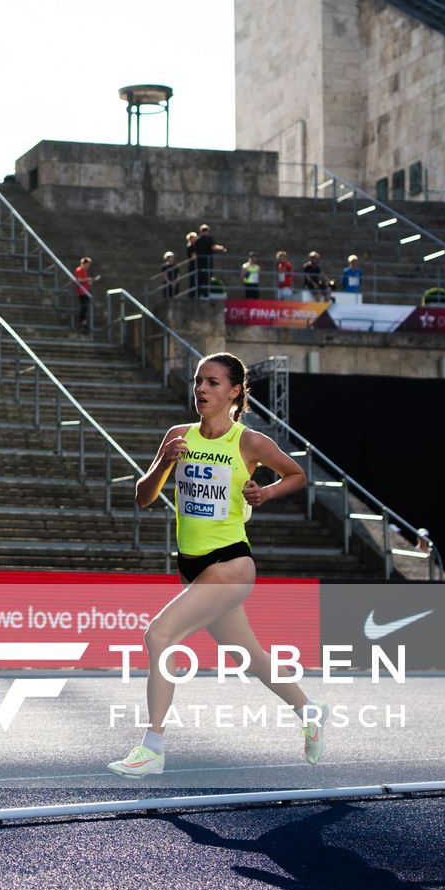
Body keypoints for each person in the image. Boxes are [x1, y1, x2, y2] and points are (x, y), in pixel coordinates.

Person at [109, 353, 320, 778]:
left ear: (235, 392)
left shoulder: (249, 442)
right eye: (198, 381)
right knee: (251, 657)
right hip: (191, 566)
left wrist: (268, 494)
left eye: (213, 383)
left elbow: (296, 474)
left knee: (159, 635)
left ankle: (153, 748)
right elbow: (143, 497)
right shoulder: (179, 435)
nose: (201, 389)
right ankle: (310, 710)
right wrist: (166, 461)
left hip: (231, 564)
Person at [74, 256, 97, 331]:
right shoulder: (79, 269)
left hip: (85, 291)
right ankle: (83, 323)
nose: (88, 266)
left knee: (85, 308)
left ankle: (84, 323)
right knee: (83, 308)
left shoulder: (84, 271)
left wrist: (89, 282)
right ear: (84, 263)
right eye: (88, 264)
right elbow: (79, 280)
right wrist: (88, 279)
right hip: (82, 292)